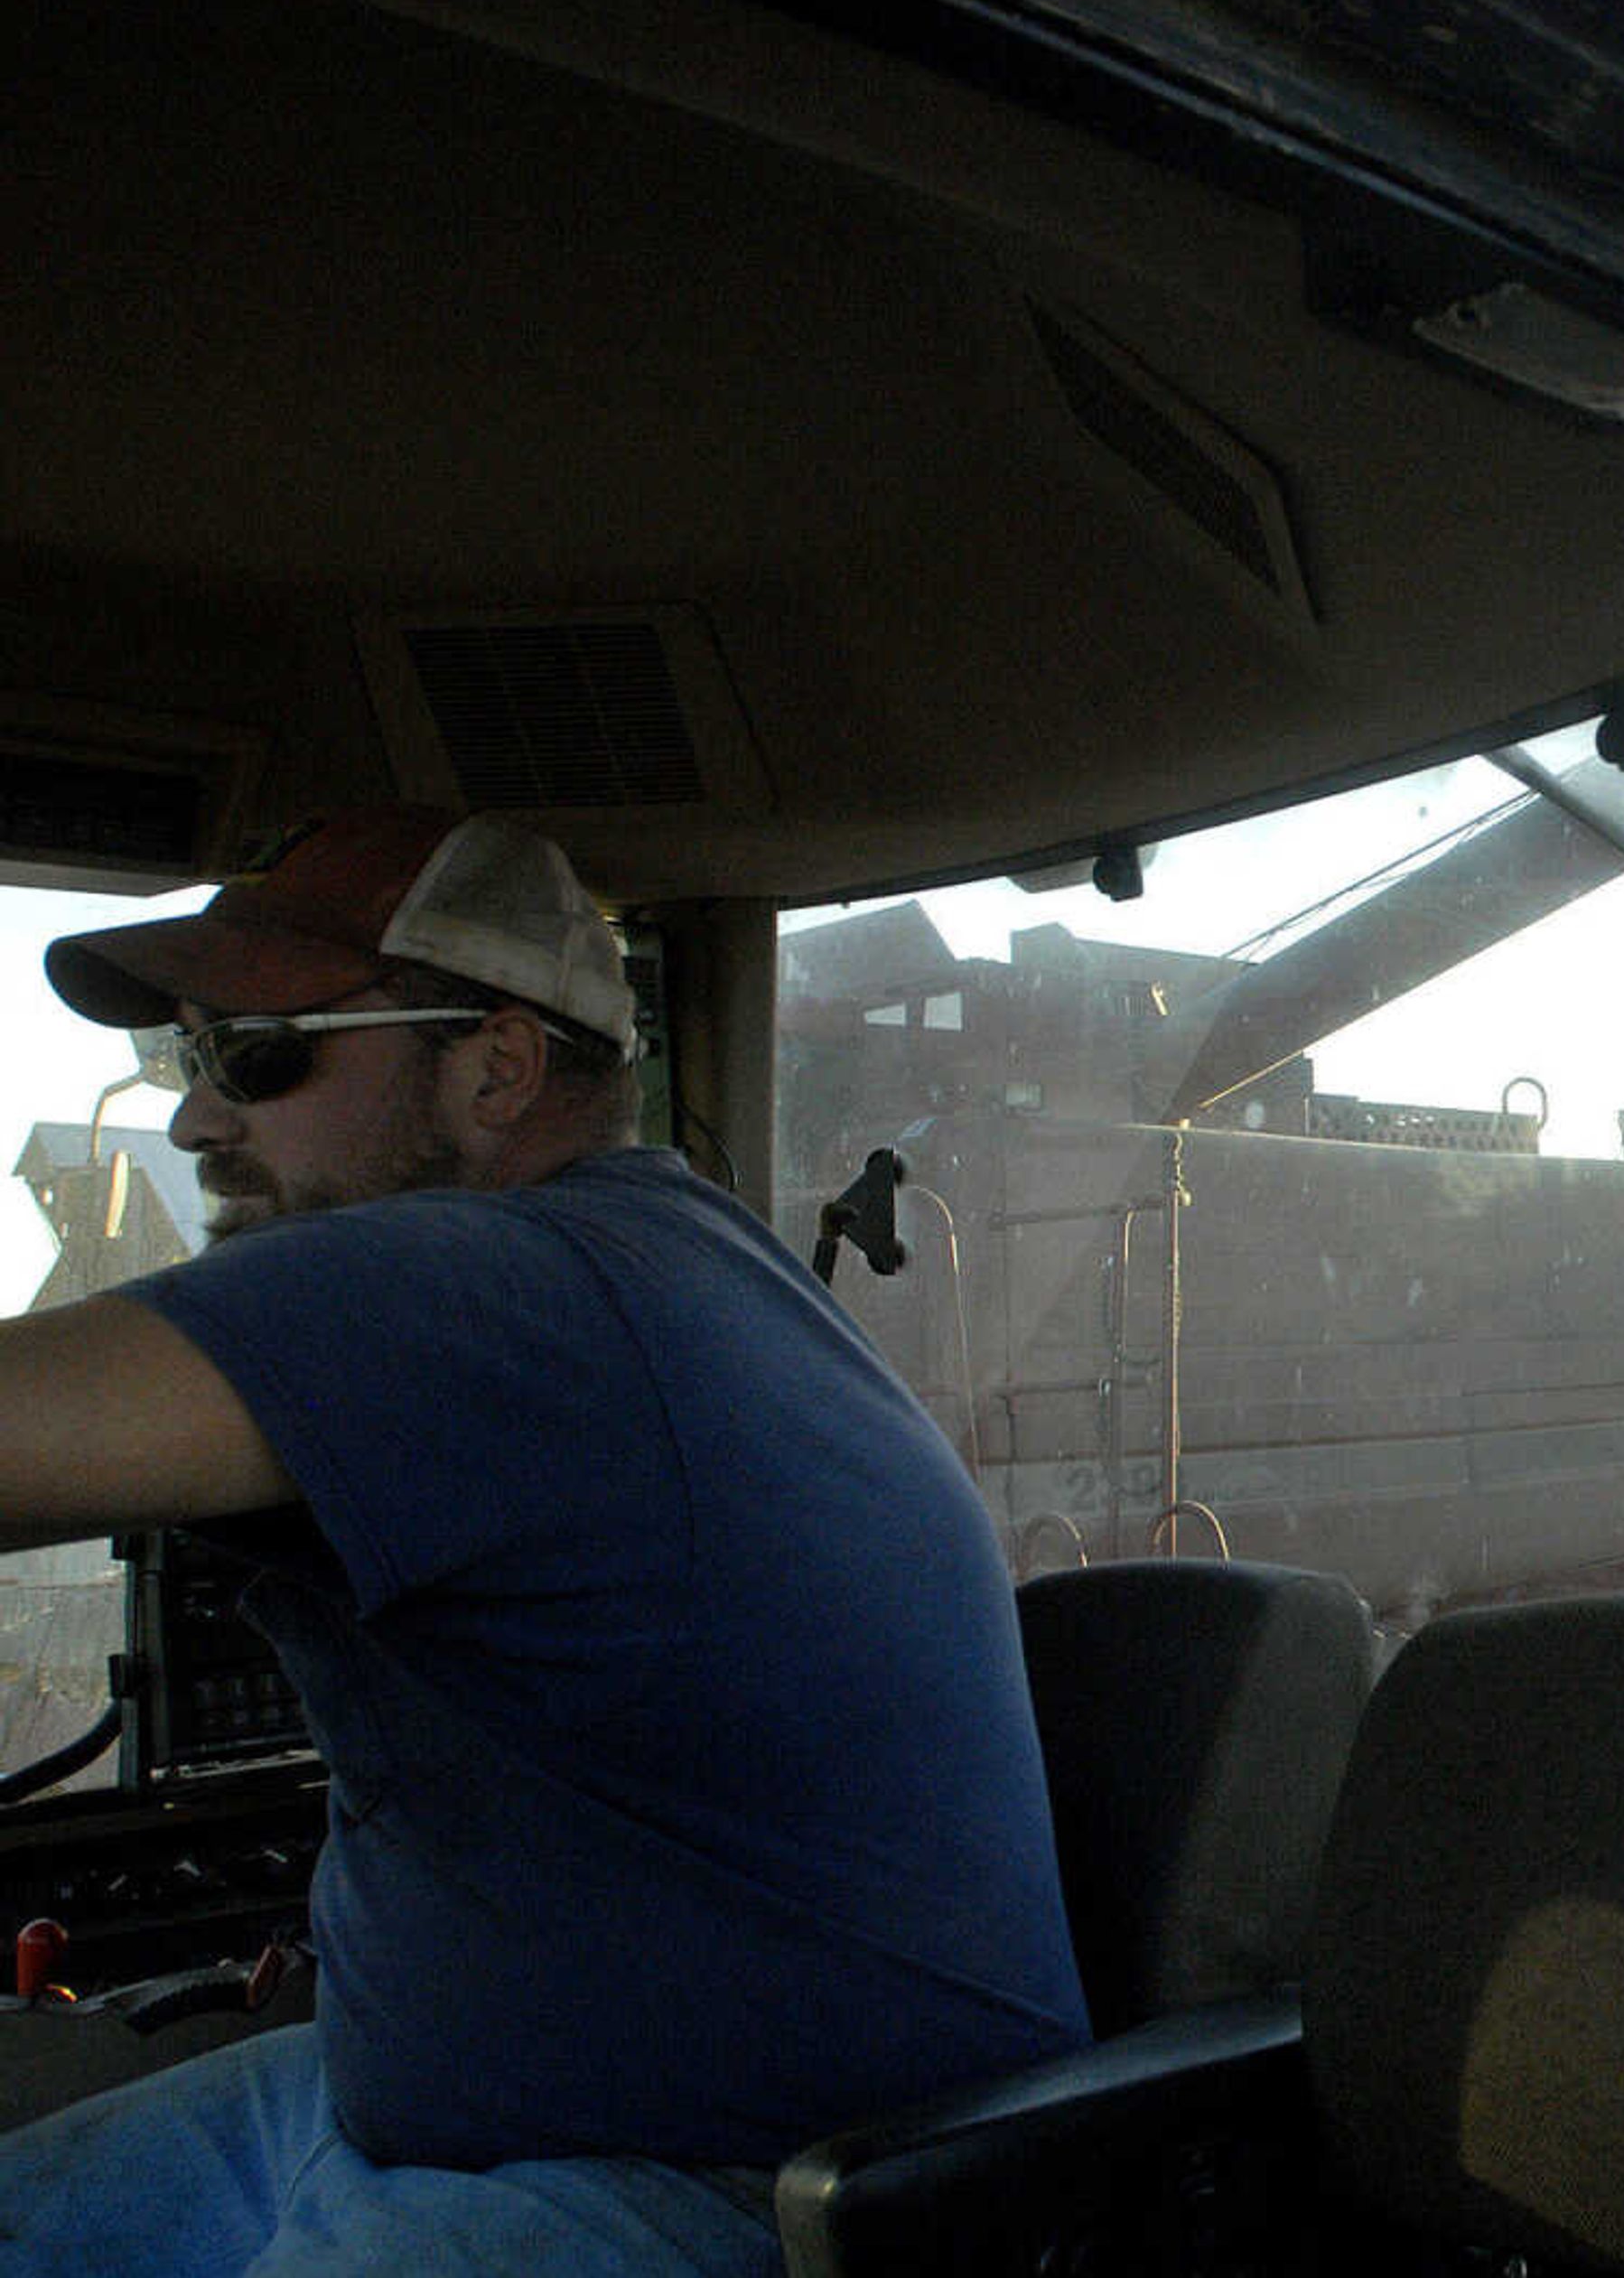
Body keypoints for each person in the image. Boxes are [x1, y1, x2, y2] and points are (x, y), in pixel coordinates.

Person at [0, 808, 1092, 2274]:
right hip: (420, 2122)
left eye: (255, 1052)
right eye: (187, 1058)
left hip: (710, 2191)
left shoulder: (504, 1288)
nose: (199, 1117)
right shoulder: (657, 1261)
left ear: (496, 1067)